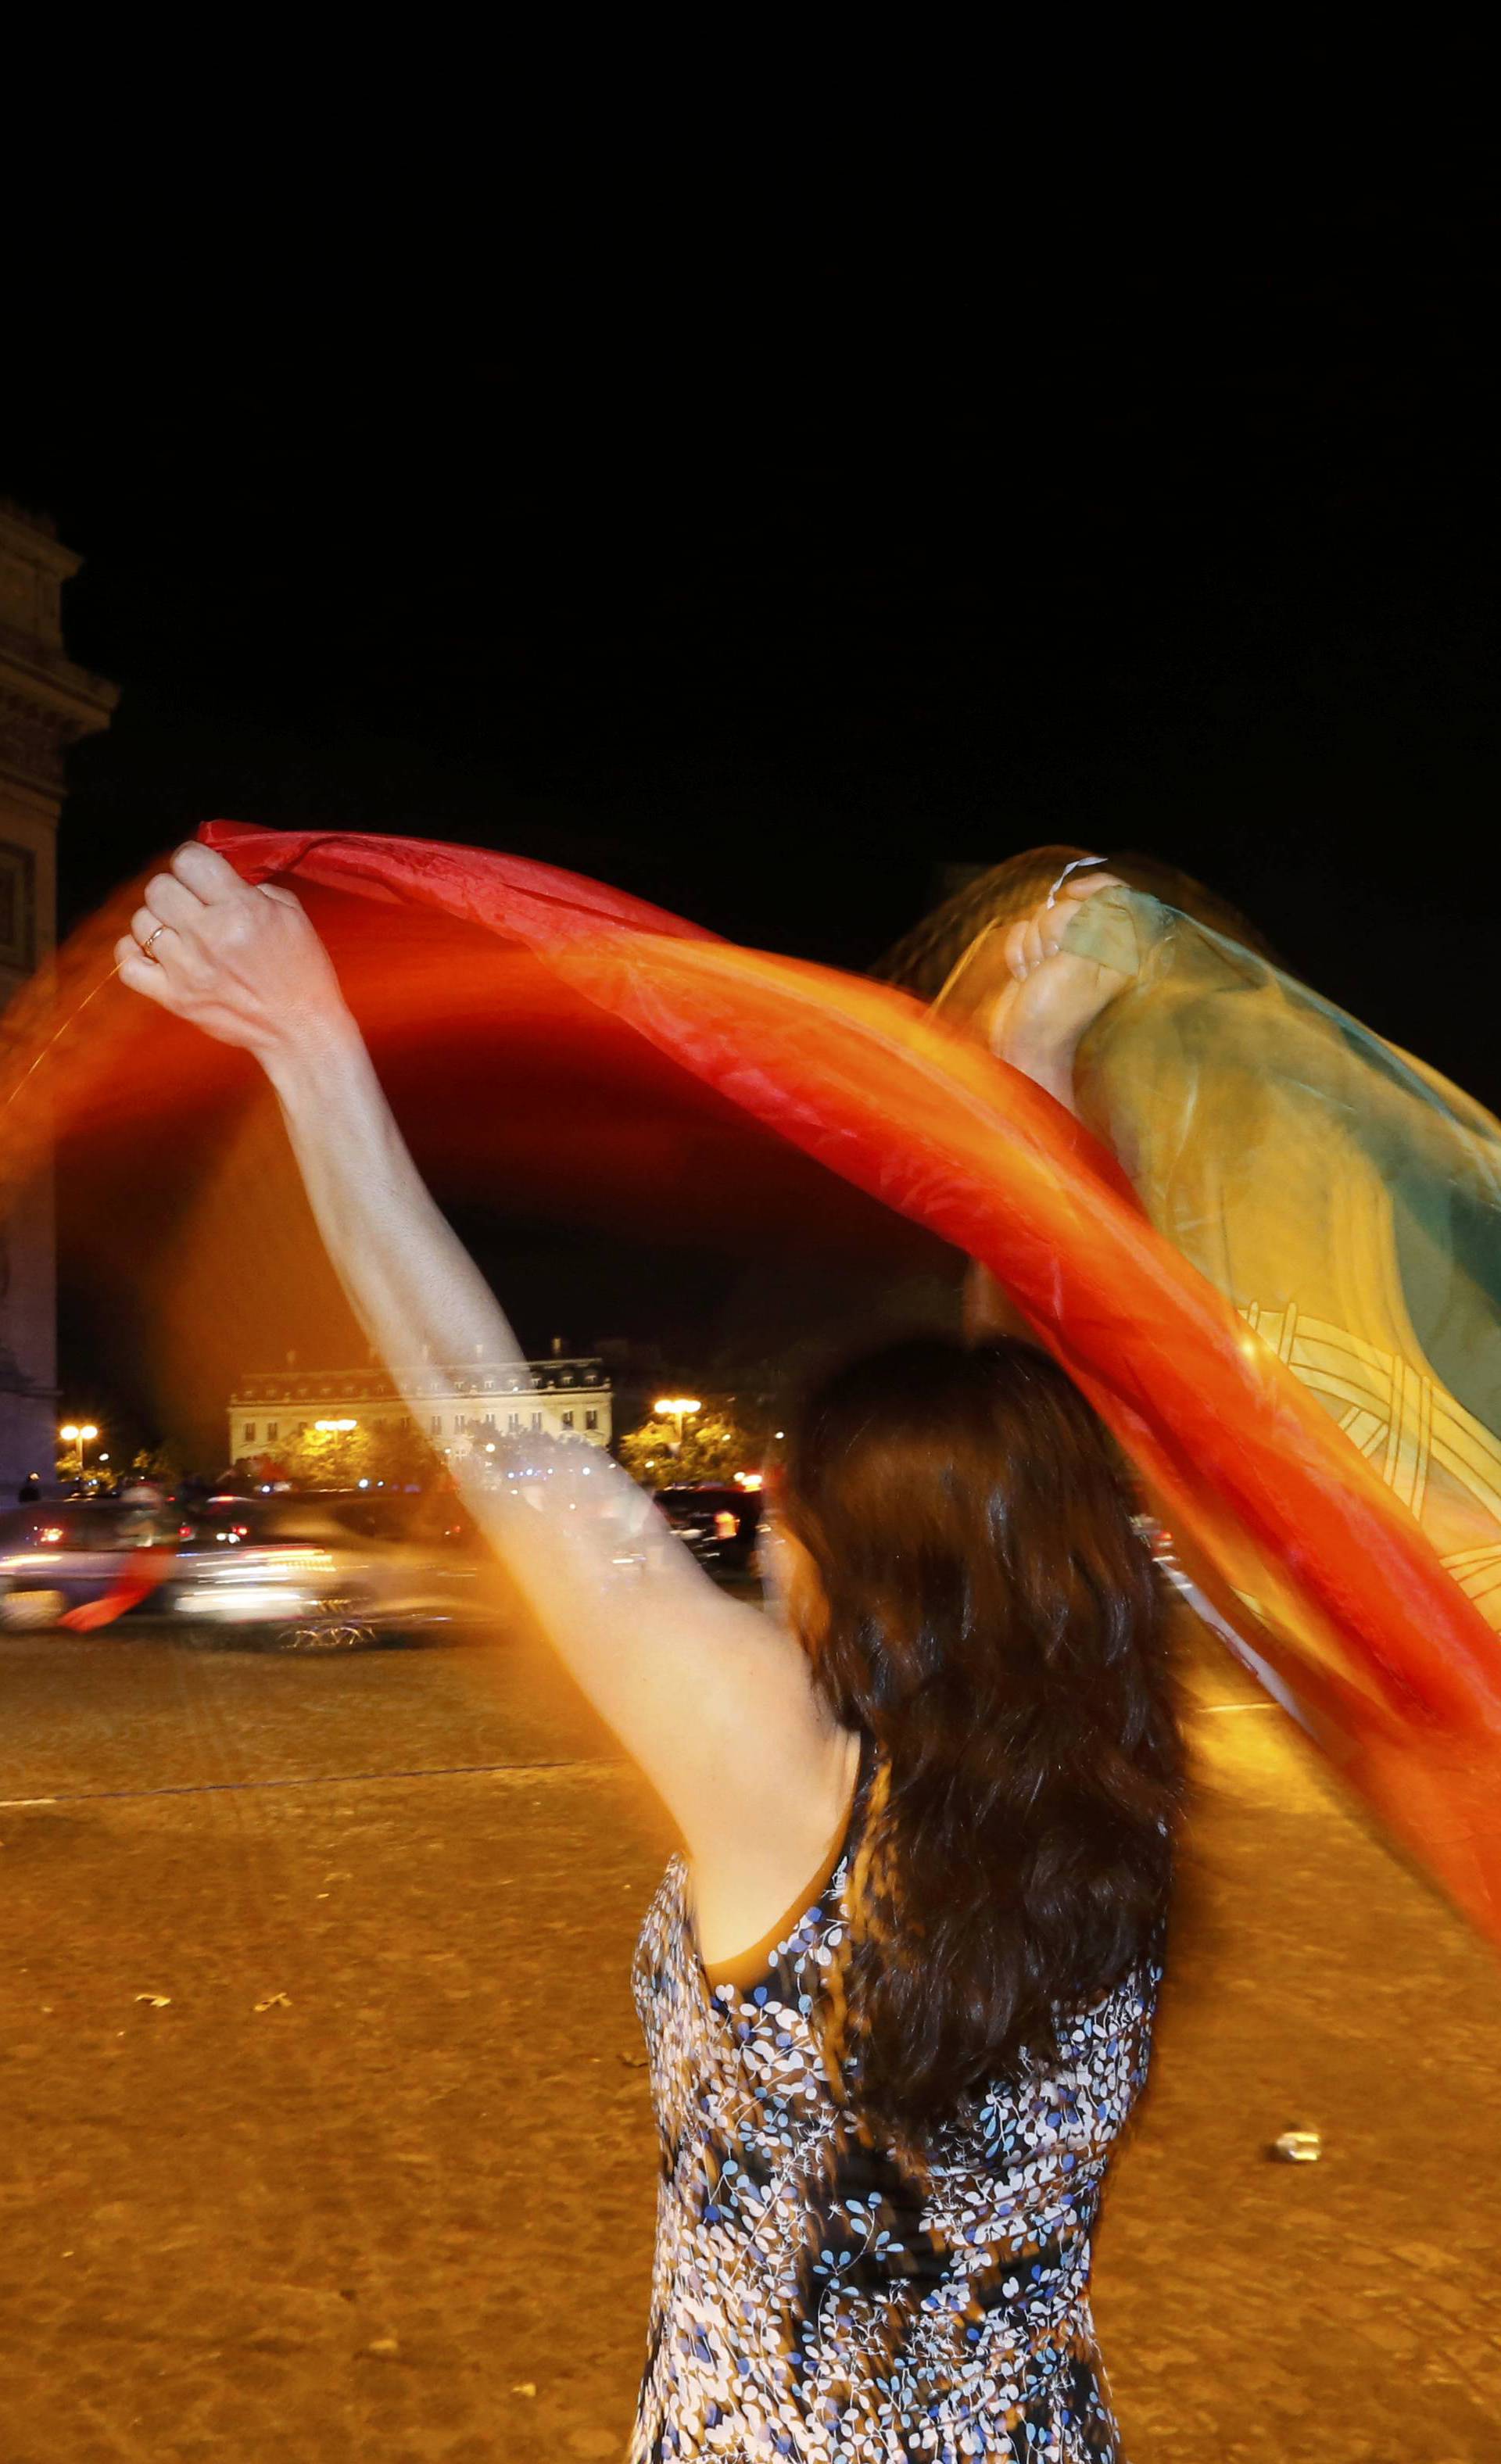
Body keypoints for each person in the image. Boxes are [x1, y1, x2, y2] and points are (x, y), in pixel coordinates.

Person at [117, 842, 1184, 2459]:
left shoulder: (796, 1773)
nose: (767, 1526)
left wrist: (307, 1040)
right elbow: (1020, 1464)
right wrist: (1024, 1092)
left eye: (797, 1514)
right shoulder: (1116, 1779)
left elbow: (512, 1451)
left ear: (876, 1578)